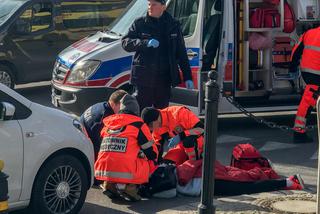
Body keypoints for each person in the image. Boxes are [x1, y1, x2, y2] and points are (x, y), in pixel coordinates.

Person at [121, 0, 194, 110]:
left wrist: (188, 77)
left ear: (163, 7)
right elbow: (125, 42)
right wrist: (145, 43)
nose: (150, 7)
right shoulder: (140, 23)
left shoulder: (173, 25)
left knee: (162, 113)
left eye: (154, 4)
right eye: (149, 4)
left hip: (164, 80)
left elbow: (181, 53)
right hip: (144, 78)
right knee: (142, 111)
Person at [94, 94, 158, 202]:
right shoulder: (138, 125)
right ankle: (130, 188)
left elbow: (103, 145)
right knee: (148, 161)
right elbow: (151, 152)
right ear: (136, 110)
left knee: (116, 155)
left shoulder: (108, 124)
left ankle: (109, 184)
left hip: (102, 169)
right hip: (126, 171)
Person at [290, 26, 320, 143]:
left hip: (307, 73)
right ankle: (298, 132)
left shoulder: (309, 33)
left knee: (309, 100)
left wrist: (292, 67)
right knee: (308, 102)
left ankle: (299, 131)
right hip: (317, 74)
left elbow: (296, 51)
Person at [80, 90, 127, 159]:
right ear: (114, 104)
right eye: (123, 106)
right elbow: (103, 145)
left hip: (82, 133)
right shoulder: (105, 118)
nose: (124, 109)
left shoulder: (102, 105)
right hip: (85, 145)